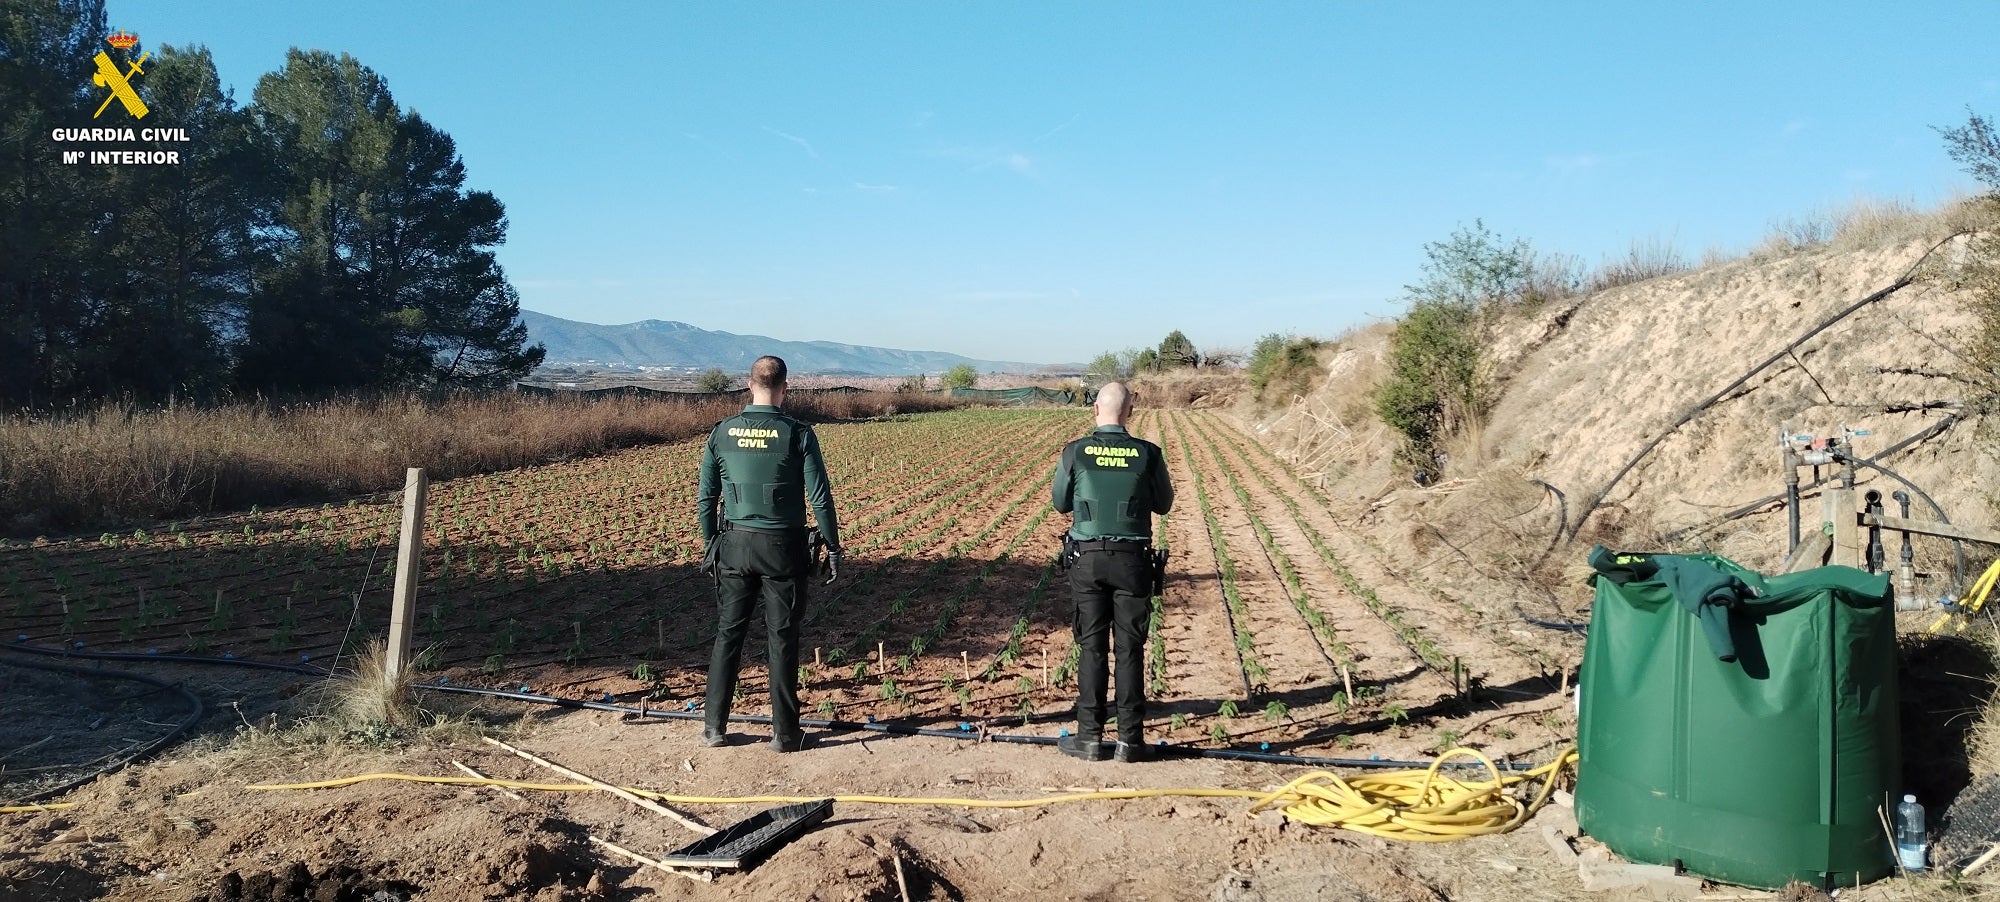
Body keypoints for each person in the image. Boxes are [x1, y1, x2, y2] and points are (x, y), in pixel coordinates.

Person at [696, 355, 842, 752]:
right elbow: (820, 498)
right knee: (782, 638)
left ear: (749, 385)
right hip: (783, 549)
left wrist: (712, 543)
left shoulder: (722, 433)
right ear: (785, 388)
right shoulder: (797, 434)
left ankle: (714, 727)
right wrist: (832, 545)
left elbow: (706, 498)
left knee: (729, 634)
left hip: (735, 546)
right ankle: (784, 733)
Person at [1050, 382, 1174, 762]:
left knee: (1091, 647)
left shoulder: (1076, 452)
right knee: (1130, 648)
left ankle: (1088, 738)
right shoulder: (1148, 454)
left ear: (1096, 411)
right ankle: (1130, 741)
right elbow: (1164, 504)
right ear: (1130, 413)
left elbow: (1060, 503)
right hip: (1133, 561)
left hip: (1086, 560)